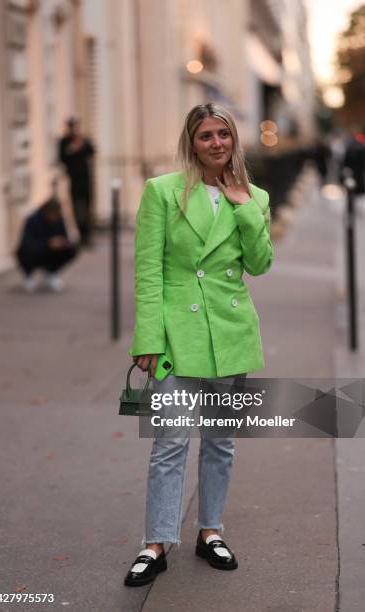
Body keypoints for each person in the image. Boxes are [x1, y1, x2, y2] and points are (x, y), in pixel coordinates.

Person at [124, 103, 273, 587]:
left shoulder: (255, 196)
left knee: (220, 442)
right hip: (176, 333)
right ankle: (156, 542)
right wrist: (147, 337)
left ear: (235, 140)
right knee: (169, 442)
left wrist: (243, 206)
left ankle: (210, 531)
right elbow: (149, 270)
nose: (216, 144)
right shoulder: (162, 192)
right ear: (192, 142)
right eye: (206, 135)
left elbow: (261, 264)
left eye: (223, 134)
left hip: (230, 333)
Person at [15, 198, 77, 293]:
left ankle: (51, 272)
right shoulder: (32, 220)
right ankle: (29, 276)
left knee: (71, 249)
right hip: (34, 252)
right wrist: (48, 243)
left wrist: (62, 242)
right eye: (53, 214)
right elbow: (26, 242)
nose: (55, 217)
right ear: (46, 212)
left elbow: (65, 237)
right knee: (26, 251)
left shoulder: (59, 219)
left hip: (50, 252)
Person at [58, 117, 95, 246]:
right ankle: (80, 234)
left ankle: (87, 235)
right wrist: (72, 148)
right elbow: (62, 157)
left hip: (85, 178)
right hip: (74, 179)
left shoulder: (83, 139)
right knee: (76, 208)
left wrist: (82, 143)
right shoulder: (64, 141)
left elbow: (92, 151)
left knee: (87, 207)